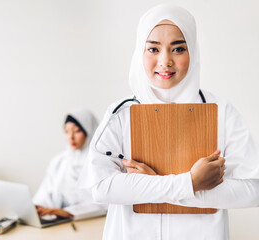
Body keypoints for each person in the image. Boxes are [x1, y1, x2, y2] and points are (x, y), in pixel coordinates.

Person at [79, 4, 259, 240]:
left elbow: (253, 191)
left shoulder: (221, 111)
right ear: (140, 52)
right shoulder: (121, 112)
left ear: (192, 51)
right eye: (153, 49)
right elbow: (100, 188)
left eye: (178, 49)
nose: (165, 61)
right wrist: (189, 183)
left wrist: (155, 184)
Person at [33, 108, 107, 220]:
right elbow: (45, 192)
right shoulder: (60, 161)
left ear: (90, 131)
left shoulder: (100, 162)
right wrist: (38, 207)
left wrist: (67, 212)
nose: (71, 137)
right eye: (67, 132)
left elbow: (104, 203)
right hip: (58, 220)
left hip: (88, 221)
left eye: (77, 131)